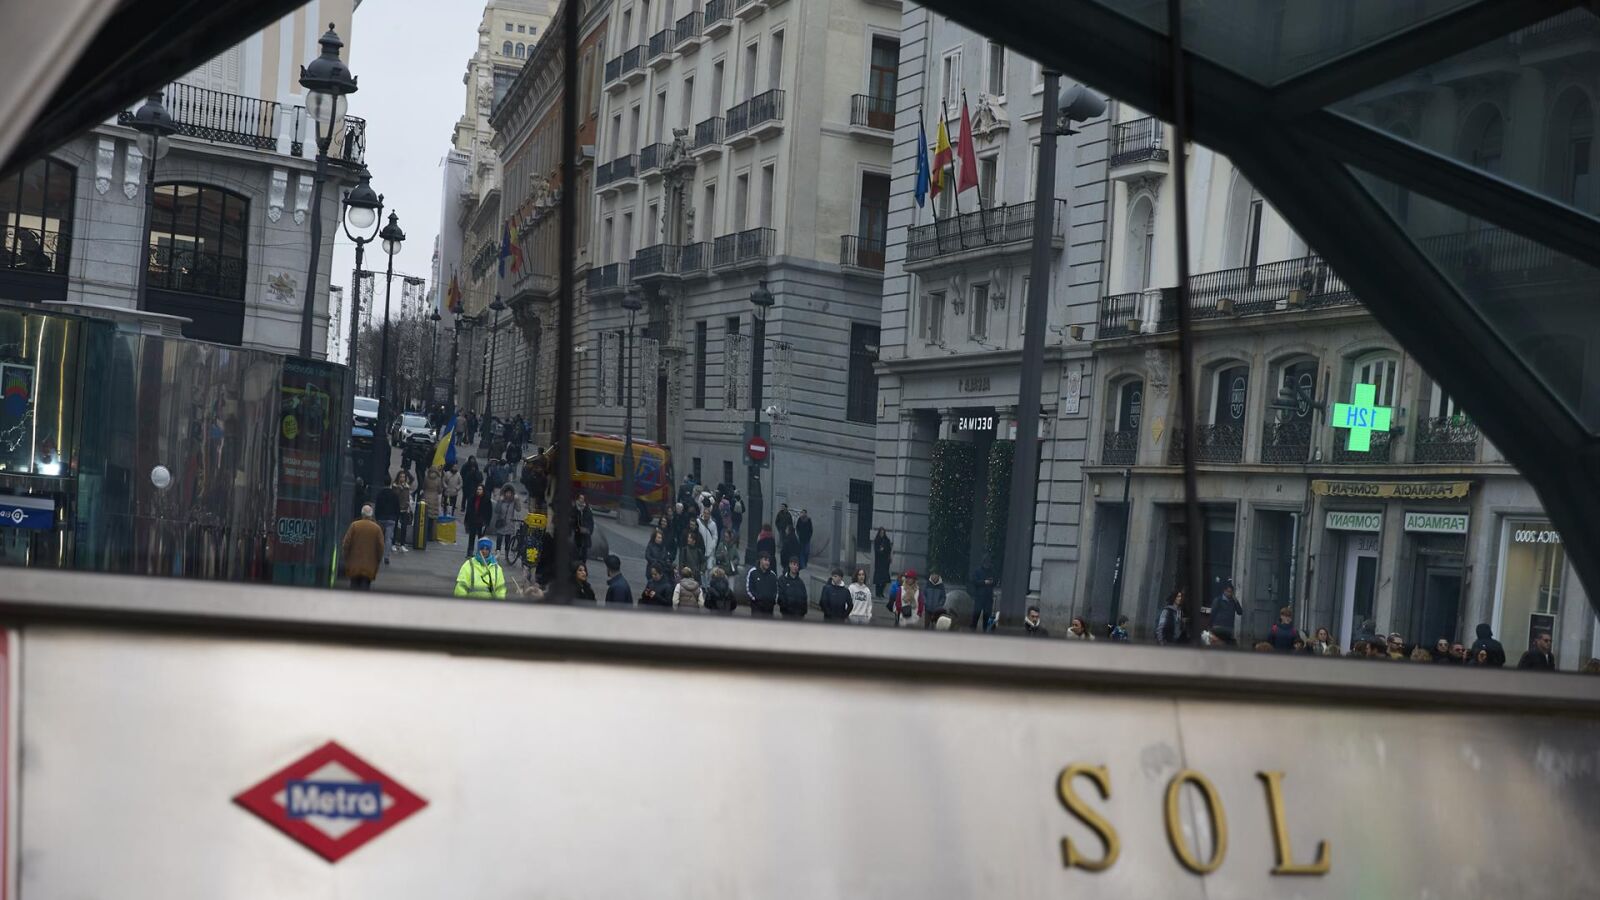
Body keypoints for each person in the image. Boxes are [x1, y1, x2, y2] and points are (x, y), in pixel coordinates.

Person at [340, 504, 386, 590]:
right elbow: (381, 547)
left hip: (354, 564)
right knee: (365, 588)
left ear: (362, 514)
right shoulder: (377, 528)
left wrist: (346, 557)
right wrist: (377, 560)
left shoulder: (354, 526)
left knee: (353, 586)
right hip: (369, 566)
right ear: (371, 514)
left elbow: (346, 543)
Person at [373, 476, 401, 565]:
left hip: (381, 518)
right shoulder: (394, 494)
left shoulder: (380, 494)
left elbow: (377, 507)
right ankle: (386, 557)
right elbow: (397, 508)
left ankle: (378, 555)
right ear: (390, 483)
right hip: (391, 519)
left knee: (380, 538)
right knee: (388, 538)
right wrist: (396, 518)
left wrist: (377, 518)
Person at [1206, 579, 1243, 646]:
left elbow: (1240, 612)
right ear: (1224, 591)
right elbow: (1213, 613)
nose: (1230, 594)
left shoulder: (1233, 601)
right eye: (1228, 591)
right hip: (1218, 627)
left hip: (1229, 628)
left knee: (1227, 645)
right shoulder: (1218, 600)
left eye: (1231, 592)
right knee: (1218, 644)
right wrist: (1209, 626)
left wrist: (1236, 601)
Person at [463, 484, 492, 557]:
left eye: (480, 489)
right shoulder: (472, 498)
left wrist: (486, 522)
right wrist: (467, 520)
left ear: (483, 491)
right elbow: (468, 510)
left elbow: (489, 512)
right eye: (478, 489)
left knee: (481, 538)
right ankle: (470, 552)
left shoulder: (486, 500)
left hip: (481, 522)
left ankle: (480, 553)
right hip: (473, 520)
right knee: (471, 536)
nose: (478, 491)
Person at [969, 558, 997, 632]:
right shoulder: (978, 571)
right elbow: (974, 581)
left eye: (989, 563)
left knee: (987, 614)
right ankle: (973, 628)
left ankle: (985, 629)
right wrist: (984, 582)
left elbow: (995, 581)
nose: (988, 564)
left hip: (988, 596)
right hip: (979, 596)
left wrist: (992, 582)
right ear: (983, 563)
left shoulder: (992, 571)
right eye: (986, 563)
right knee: (976, 613)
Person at [391, 468, 415, 552]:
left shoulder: (406, 487)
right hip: (396, 508)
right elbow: (395, 496)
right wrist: (400, 489)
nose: (402, 478)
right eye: (401, 477)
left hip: (405, 509)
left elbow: (407, 496)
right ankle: (393, 543)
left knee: (404, 527)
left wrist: (409, 504)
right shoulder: (395, 486)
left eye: (404, 477)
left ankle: (402, 544)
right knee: (395, 527)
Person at [492, 485, 520, 557]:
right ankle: (498, 552)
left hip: (509, 523)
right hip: (501, 522)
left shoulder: (513, 501)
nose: (508, 494)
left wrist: (517, 500)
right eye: (507, 493)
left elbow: (518, 509)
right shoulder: (501, 500)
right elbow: (497, 510)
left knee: (507, 539)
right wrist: (499, 501)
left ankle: (506, 553)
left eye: (510, 493)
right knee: (499, 538)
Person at [872, 527, 893, 598]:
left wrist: (884, 550)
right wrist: (880, 550)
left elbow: (889, 549)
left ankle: (881, 592)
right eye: (881, 533)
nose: (882, 534)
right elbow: (876, 550)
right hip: (879, 562)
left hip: (885, 562)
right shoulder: (877, 540)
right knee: (878, 579)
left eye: (883, 533)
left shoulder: (886, 540)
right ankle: (878, 593)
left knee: (885, 579)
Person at [574, 494, 595, 562]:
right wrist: (576, 529)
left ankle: (583, 563)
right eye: (580, 498)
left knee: (584, 553)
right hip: (576, 535)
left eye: (582, 498)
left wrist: (588, 531)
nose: (581, 500)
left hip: (585, 536)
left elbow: (591, 522)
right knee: (575, 551)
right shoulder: (574, 509)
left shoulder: (587, 510)